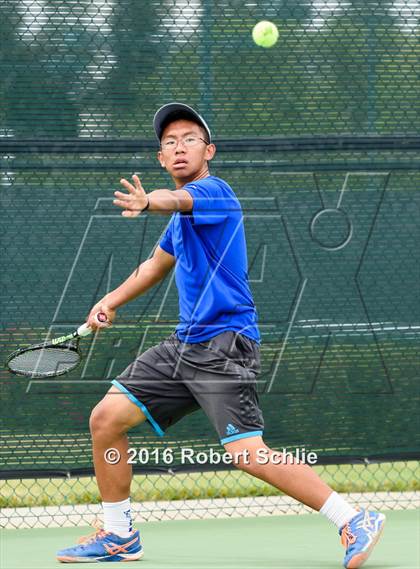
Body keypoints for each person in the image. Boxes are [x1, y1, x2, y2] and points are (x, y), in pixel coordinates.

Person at [57, 103, 385, 566]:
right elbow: (154, 264)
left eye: (189, 139)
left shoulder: (215, 193)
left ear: (208, 150)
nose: (178, 148)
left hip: (225, 343)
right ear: (160, 157)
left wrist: (150, 200)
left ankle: (353, 518)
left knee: (248, 454)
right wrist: (110, 300)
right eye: (169, 142)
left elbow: (176, 199)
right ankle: (118, 535)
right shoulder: (180, 220)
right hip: (182, 346)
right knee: (105, 419)